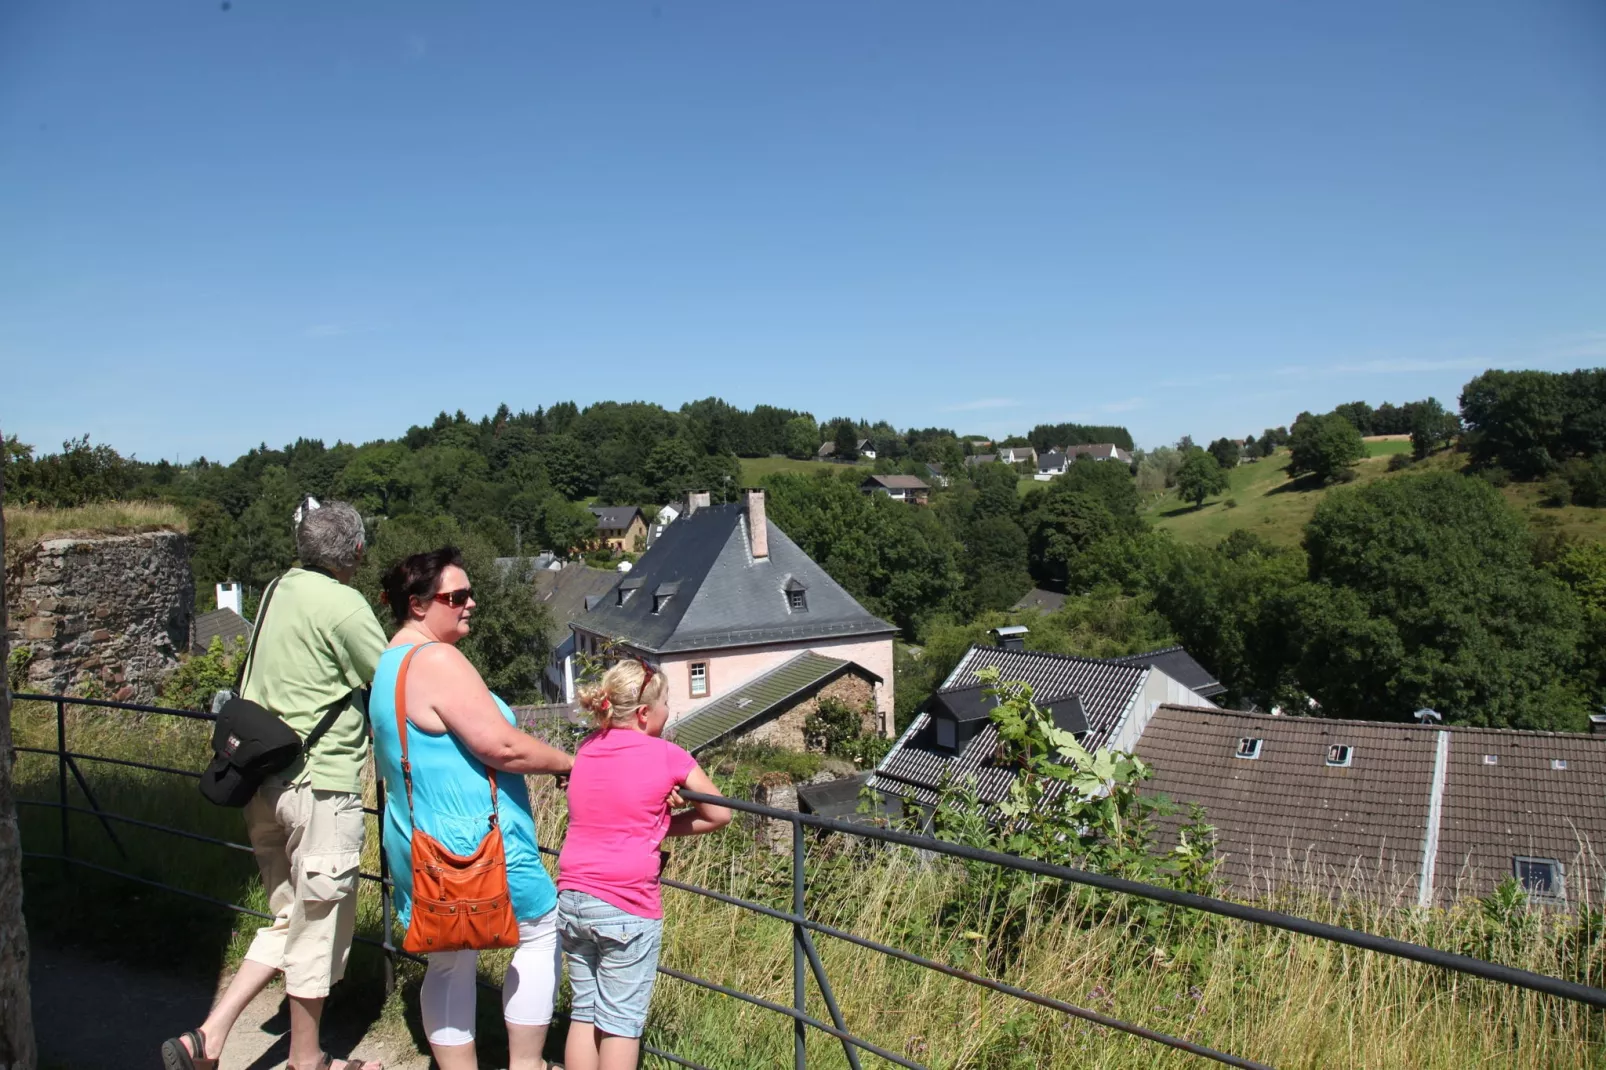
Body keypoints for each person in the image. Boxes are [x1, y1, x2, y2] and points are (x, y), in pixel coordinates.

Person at [163, 501, 387, 1070]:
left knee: (291, 921)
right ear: (356, 551)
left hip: (264, 783)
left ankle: (209, 1037)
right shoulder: (345, 604)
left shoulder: (278, 589)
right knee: (315, 931)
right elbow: (389, 681)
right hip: (320, 786)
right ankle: (306, 1060)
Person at [368, 547, 575, 1070]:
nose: (471, 604)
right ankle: (527, 1064)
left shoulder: (389, 663)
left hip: (415, 839)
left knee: (448, 961)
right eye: (455, 596)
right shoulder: (437, 659)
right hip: (477, 844)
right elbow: (501, 746)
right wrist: (568, 762)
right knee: (542, 929)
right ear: (417, 605)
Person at [558, 660, 732, 1070]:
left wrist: (650, 822)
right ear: (643, 714)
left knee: (585, 1012)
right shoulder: (668, 755)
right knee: (621, 1022)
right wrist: (661, 825)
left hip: (572, 895)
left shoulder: (587, 748)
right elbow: (719, 813)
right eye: (666, 703)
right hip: (626, 902)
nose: (669, 711)